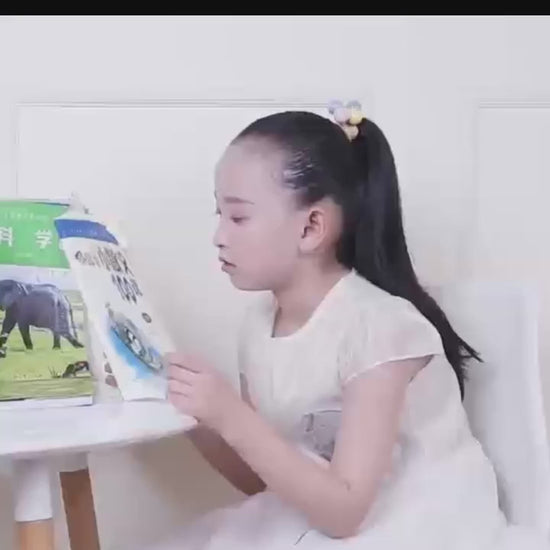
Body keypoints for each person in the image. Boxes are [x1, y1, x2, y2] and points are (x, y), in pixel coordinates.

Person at [158, 102, 549, 549]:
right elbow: (264, 480)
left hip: (418, 520)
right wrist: (200, 418)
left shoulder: (379, 327)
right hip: (327, 514)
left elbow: (345, 513)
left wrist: (231, 415)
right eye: (219, 215)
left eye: (238, 217)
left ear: (311, 227)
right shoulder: (258, 325)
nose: (219, 237)